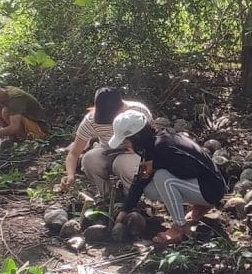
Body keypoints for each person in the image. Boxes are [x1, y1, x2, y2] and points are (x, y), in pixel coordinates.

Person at [108, 110, 227, 246]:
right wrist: (125, 210)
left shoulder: (163, 145)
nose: (125, 145)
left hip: (212, 188)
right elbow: (141, 179)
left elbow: (190, 170)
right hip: (201, 185)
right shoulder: (152, 145)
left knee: (162, 177)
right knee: (148, 188)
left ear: (137, 138)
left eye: (126, 141)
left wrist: (158, 164)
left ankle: (179, 227)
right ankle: (201, 205)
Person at [60, 87, 153, 197]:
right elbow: (74, 153)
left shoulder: (139, 111)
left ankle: (132, 197)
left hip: (135, 153)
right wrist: (70, 175)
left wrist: (139, 149)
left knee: (123, 165)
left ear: (123, 106)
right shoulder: (91, 120)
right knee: (90, 159)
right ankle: (107, 196)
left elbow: (153, 138)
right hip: (107, 149)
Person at [0, 75, 47, 141]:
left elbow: (14, 127)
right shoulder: (4, 92)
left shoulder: (15, 99)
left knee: (5, 111)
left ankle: (23, 139)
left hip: (39, 128)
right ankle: (12, 137)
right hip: (26, 121)